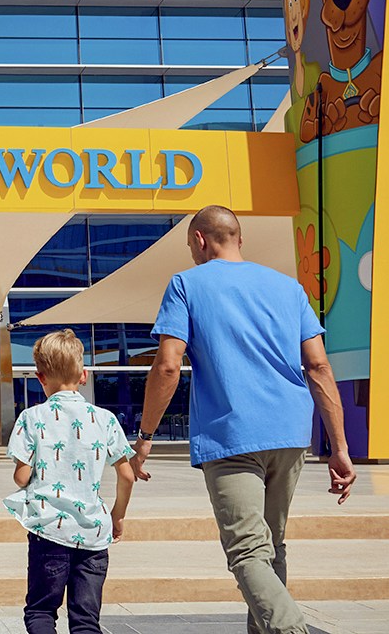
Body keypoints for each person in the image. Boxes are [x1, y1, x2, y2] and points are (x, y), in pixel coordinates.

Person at [136, 205, 356, 634]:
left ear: (200, 240)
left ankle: (292, 630)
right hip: (291, 433)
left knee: (247, 551)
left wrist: (145, 435)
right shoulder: (288, 288)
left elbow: (167, 365)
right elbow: (319, 367)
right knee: (270, 548)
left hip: (232, 434)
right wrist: (340, 447)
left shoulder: (186, 284)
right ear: (239, 238)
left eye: (189, 246)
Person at [4, 329, 137, 634]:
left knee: (40, 610)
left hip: (48, 530)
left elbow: (22, 476)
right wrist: (117, 515)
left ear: (40, 377)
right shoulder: (104, 419)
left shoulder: (31, 417)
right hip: (93, 532)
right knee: (86, 620)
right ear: (84, 375)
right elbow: (127, 474)